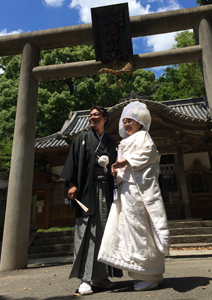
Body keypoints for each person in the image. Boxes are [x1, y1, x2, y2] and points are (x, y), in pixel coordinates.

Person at [98, 101, 170, 291]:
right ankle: (142, 271)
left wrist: (126, 160)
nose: (127, 124)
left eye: (131, 121)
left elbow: (150, 154)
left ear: (140, 122)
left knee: (140, 227)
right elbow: (125, 165)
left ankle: (151, 273)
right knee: (129, 228)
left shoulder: (143, 136)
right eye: (125, 121)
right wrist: (117, 170)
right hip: (126, 190)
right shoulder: (124, 142)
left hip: (138, 189)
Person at [60, 106, 122, 295]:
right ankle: (85, 279)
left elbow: (115, 167)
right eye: (90, 115)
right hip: (88, 191)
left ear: (105, 119)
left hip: (106, 191)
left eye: (96, 115)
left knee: (106, 232)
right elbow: (74, 162)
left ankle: (101, 277)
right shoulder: (81, 139)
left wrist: (114, 171)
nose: (92, 117)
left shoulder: (111, 143)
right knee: (87, 233)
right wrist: (71, 183)